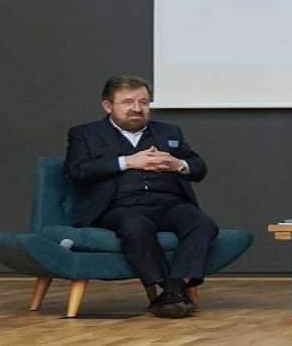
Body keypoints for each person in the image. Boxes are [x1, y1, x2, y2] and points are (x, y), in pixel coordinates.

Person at [65, 75, 219, 318]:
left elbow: (198, 168)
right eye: (128, 102)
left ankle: (172, 291)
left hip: (170, 204)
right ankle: (174, 291)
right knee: (135, 226)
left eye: (144, 102)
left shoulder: (169, 132)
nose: (137, 108)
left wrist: (177, 164)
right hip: (119, 208)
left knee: (202, 223)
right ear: (108, 105)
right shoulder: (85, 134)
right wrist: (128, 162)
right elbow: (78, 171)